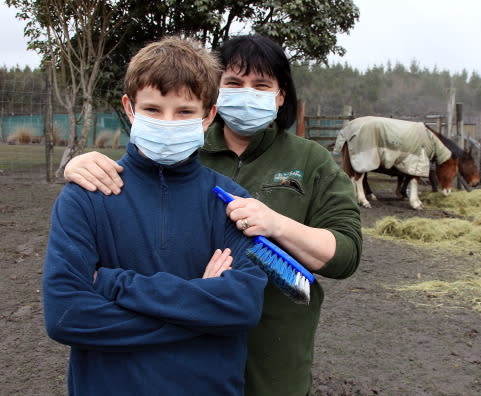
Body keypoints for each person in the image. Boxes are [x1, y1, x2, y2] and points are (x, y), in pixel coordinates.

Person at [63, 34, 362, 396]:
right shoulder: (181, 151)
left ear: (280, 95)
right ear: (215, 96)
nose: (247, 93)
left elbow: (345, 254)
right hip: (190, 363)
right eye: (234, 83)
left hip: (274, 352)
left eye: (261, 85)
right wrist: (80, 163)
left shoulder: (310, 161)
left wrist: (277, 224)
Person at [43, 37, 268, 396]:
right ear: (129, 109)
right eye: (152, 110)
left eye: (184, 112)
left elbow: (242, 307)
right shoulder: (85, 196)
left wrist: (114, 284)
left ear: (208, 115)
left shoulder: (234, 203)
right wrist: (204, 306)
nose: (167, 123)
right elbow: (66, 316)